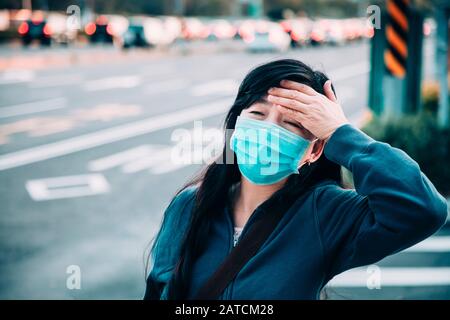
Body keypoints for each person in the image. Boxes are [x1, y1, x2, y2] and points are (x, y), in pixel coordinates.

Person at [144, 59, 448, 300]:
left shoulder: (326, 213)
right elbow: (158, 289)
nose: (269, 129)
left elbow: (424, 209)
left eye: (291, 123)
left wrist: (340, 132)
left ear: (314, 150)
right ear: (235, 127)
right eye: (258, 114)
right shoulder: (190, 205)